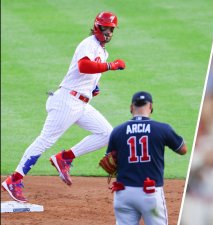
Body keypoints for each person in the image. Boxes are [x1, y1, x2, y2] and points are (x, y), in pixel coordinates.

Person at [1, 11, 126, 203]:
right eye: (105, 28)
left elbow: (85, 74)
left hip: (81, 103)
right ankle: (14, 180)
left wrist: (93, 88)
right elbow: (84, 65)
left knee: (107, 134)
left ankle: (65, 158)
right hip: (66, 102)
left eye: (111, 29)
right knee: (45, 140)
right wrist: (111, 66)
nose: (108, 32)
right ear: (97, 27)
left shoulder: (102, 50)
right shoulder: (88, 43)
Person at [106, 91, 187, 225]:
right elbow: (183, 150)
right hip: (149, 195)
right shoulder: (162, 129)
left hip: (124, 193)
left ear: (131, 107)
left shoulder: (117, 131)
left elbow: (109, 163)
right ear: (150, 106)